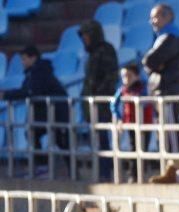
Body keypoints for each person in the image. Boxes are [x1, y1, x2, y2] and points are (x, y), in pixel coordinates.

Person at [0, 46, 69, 157]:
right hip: (47, 112)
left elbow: (31, 91)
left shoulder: (40, 72)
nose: (23, 62)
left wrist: (6, 95)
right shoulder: (32, 72)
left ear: (33, 58)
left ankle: (48, 165)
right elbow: (25, 90)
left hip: (56, 111)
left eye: (24, 59)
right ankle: (42, 164)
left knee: (61, 141)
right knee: (34, 133)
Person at [142, 3, 179, 154]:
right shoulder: (161, 36)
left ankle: (174, 168)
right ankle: (169, 167)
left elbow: (149, 60)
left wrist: (153, 66)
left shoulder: (170, 36)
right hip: (162, 90)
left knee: (170, 133)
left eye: (155, 17)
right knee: (164, 132)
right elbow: (151, 63)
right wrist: (154, 66)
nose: (152, 21)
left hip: (168, 90)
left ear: (167, 17)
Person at [78, 19, 119, 177]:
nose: (84, 39)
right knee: (96, 140)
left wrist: (99, 96)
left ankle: (106, 172)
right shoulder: (92, 53)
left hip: (101, 104)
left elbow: (110, 77)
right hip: (90, 105)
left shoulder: (105, 50)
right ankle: (101, 171)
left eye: (87, 35)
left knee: (103, 139)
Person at [112, 62, 154, 180]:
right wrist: (119, 118)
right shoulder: (123, 90)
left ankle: (141, 173)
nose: (126, 79)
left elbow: (147, 102)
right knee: (133, 147)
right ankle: (133, 174)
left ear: (137, 76)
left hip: (145, 123)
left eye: (129, 76)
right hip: (130, 123)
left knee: (143, 147)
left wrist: (137, 100)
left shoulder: (144, 88)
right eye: (124, 76)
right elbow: (113, 104)